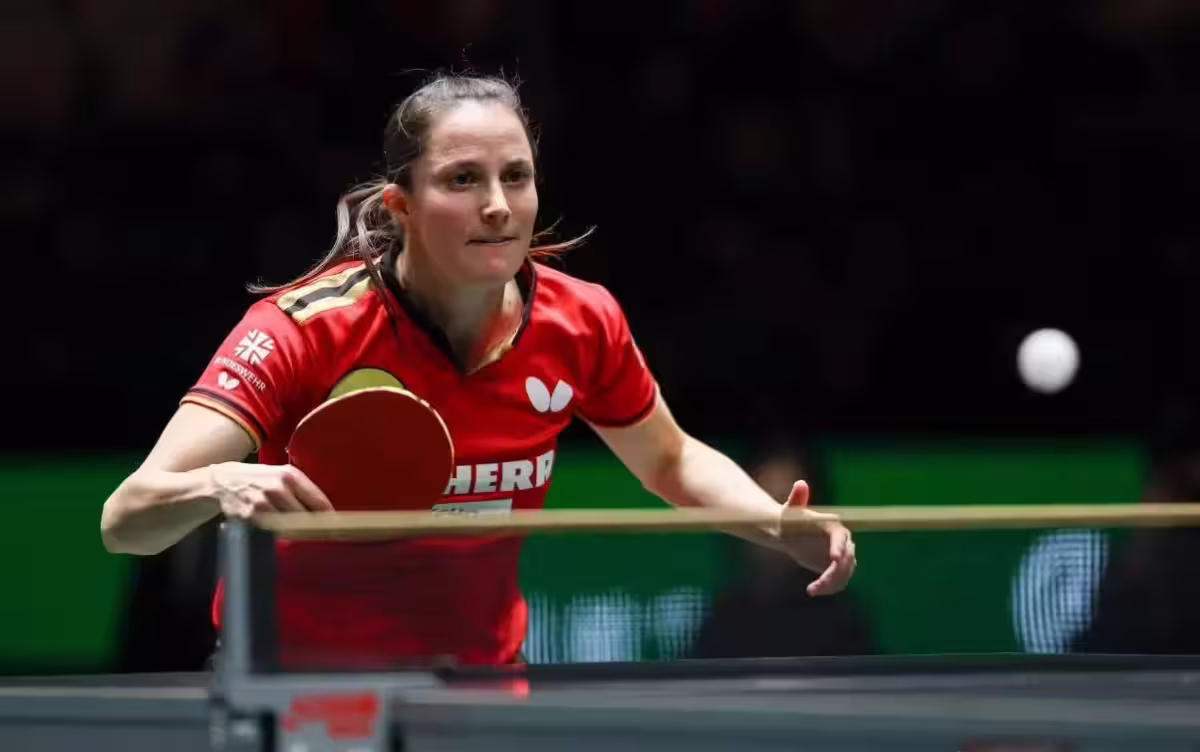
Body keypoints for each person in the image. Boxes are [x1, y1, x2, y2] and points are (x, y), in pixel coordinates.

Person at [99, 73, 857, 668]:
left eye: (516, 177)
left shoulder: (579, 321)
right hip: (297, 687)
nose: (497, 205)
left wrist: (775, 524)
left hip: (479, 687)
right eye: (462, 179)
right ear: (400, 205)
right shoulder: (305, 329)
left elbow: (670, 459)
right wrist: (219, 484)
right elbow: (126, 520)